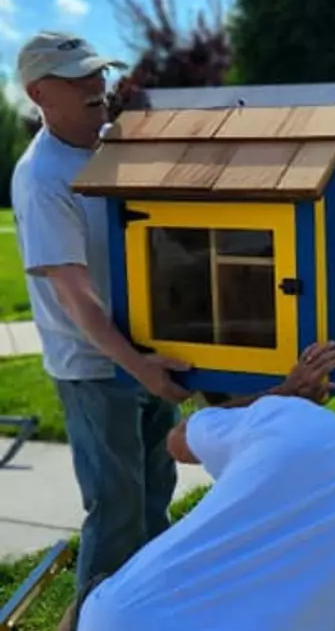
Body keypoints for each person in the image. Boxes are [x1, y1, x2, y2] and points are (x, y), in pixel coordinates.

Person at [57, 341, 335, 631]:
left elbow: (178, 441)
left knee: (94, 606)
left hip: (121, 616)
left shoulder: (294, 417)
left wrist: (282, 394)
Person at [9, 30, 196, 593]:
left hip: (143, 348)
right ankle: (97, 616)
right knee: (116, 513)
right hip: (95, 367)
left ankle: (147, 611)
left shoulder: (115, 143)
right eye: (80, 79)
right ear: (40, 93)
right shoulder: (43, 178)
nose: (99, 87)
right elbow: (76, 298)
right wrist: (141, 367)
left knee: (154, 498)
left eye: (99, 73)